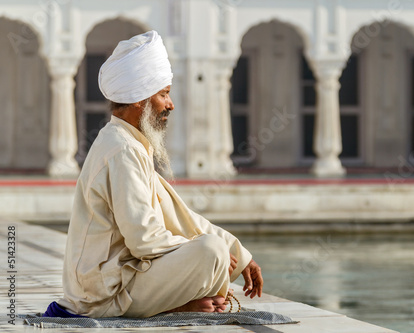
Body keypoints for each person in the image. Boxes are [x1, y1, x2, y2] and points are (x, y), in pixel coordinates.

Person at [55, 30, 263, 318]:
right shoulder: (122, 150)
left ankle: (184, 303)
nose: (170, 104)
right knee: (210, 252)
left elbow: (180, 216)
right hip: (100, 295)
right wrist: (209, 250)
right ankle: (180, 306)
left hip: (119, 279)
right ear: (140, 99)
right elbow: (144, 238)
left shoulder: (127, 142)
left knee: (212, 250)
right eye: (163, 94)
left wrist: (241, 256)